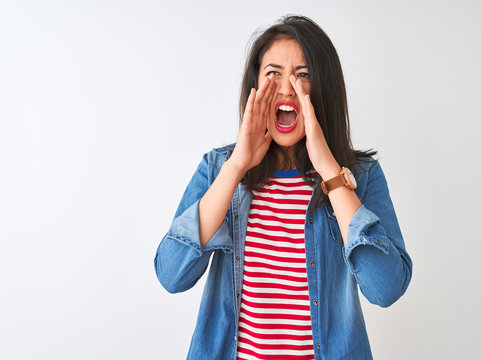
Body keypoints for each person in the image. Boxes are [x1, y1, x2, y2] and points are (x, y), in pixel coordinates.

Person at [154, 15, 412, 360]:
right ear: (256, 88)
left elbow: (386, 289)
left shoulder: (359, 176)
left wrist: (330, 172)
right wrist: (236, 167)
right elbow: (171, 275)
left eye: (303, 75)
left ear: (323, 89)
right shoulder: (218, 168)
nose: (287, 87)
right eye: (273, 73)